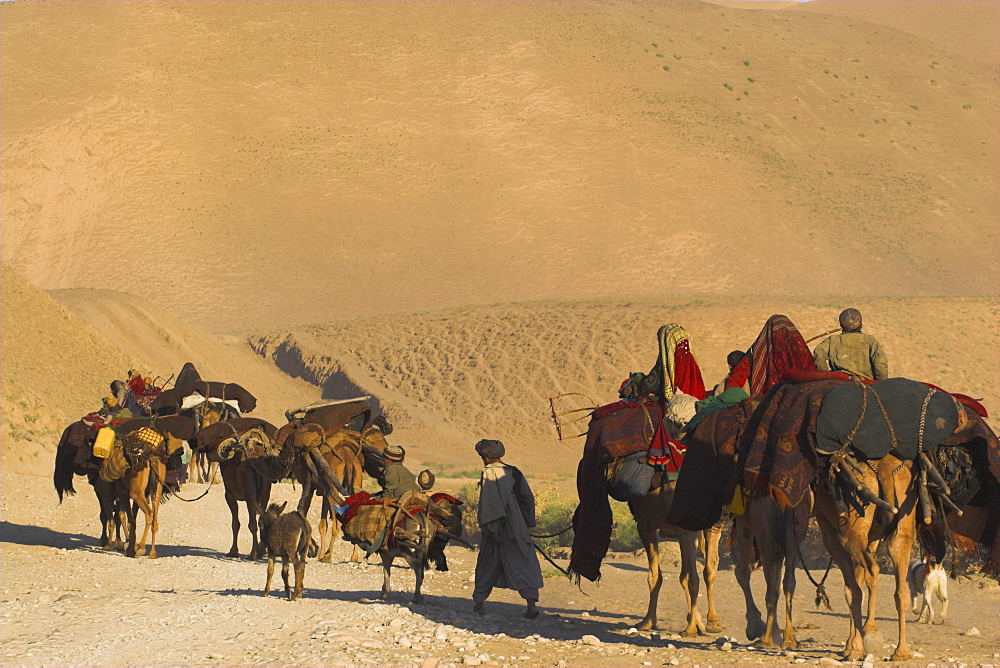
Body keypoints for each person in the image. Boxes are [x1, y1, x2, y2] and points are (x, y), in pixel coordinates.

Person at [472, 438, 544, 619]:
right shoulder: (514, 472)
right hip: (517, 528)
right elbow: (528, 498)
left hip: (497, 529)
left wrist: (494, 530)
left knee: (488, 563)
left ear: (486, 458)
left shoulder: (490, 473)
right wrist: (525, 526)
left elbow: (493, 505)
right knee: (523, 563)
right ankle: (531, 604)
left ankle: (479, 603)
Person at [619, 324, 707, 401]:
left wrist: (633, 388)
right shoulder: (692, 363)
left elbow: (653, 384)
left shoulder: (666, 362)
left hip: (677, 403)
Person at [813, 308, 888, 381]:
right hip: (865, 381)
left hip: (838, 380)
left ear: (841, 325)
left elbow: (819, 354)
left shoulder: (831, 340)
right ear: (861, 324)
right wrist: (881, 383)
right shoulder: (870, 340)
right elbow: (880, 365)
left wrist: (824, 374)